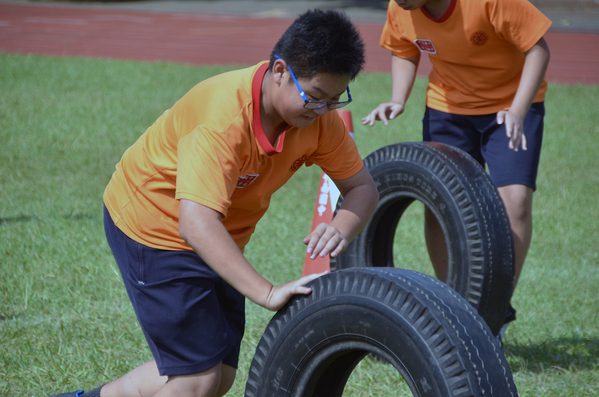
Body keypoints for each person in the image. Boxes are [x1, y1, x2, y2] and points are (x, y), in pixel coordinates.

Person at [50, 9, 378, 397]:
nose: (322, 110)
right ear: (278, 72)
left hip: (218, 234)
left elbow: (362, 187)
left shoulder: (318, 122)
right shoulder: (222, 118)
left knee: (218, 375)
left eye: (334, 101)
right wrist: (267, 292)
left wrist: (339, 227)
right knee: (197, 380)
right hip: (156, 225)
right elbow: (195, 222)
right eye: (315, 97)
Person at [362, 0, 551, 339]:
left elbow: (538, 50)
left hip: (510, 107)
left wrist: (519, 111)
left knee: (516, 202)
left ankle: (495, 306)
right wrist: (398, 98)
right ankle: (458, 303)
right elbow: (404, 49)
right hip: (447, 109)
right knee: (439, 205)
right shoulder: (401, 7)